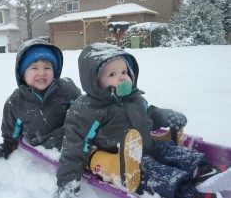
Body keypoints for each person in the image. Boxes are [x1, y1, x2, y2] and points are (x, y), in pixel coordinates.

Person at [55, 43, 229, 198]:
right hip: (123, 157)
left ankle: (204, 171)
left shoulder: (134, 99)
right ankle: (186, 191)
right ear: (94, 81)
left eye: (124, 72)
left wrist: (165, 116)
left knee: (169, 149)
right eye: (112, 74)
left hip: (147, 143)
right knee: (152, 171)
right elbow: (74, 146)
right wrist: (67, 185)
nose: (122, 77)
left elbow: (149, 116)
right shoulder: (87, 109)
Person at [0, 38, 81, 159]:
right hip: (44, 141)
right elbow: (11, 127)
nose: (42, 73)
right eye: (34, 68)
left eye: (47, 68)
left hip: (71, 132)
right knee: (80, 150)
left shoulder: (66, 89)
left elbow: (83, 108)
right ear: (22, 73)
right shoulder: (16, 102)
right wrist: (8, 144)